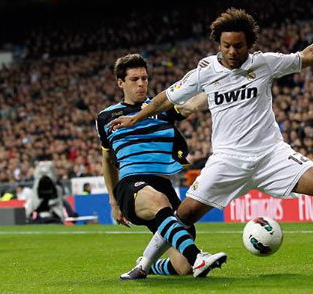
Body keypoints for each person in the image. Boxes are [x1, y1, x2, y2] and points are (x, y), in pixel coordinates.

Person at [110, 8, 313, 266]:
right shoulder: (205, 72)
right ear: (218, 43)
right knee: (182, 216)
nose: (231, 51)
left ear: (249, 44)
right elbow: (165, 99)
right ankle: (143, 264)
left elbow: (309, 55)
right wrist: (135, 117)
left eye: (238, 46)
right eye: (226, 45)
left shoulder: (265, 64)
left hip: (271, 155)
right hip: (227, 161)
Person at [97, 54, 226, 280]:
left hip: (163, 185)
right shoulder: (106, 117)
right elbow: (107, 161)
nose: (141, 84)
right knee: (158, 201)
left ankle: (147, 265)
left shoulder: (161, 107)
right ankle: (199, 258)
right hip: (131, 185)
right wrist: (112, 200)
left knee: (182, 267)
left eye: (144, 78)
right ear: (120, 83)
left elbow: (193, 104)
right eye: (135, 79)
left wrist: (221, 80)